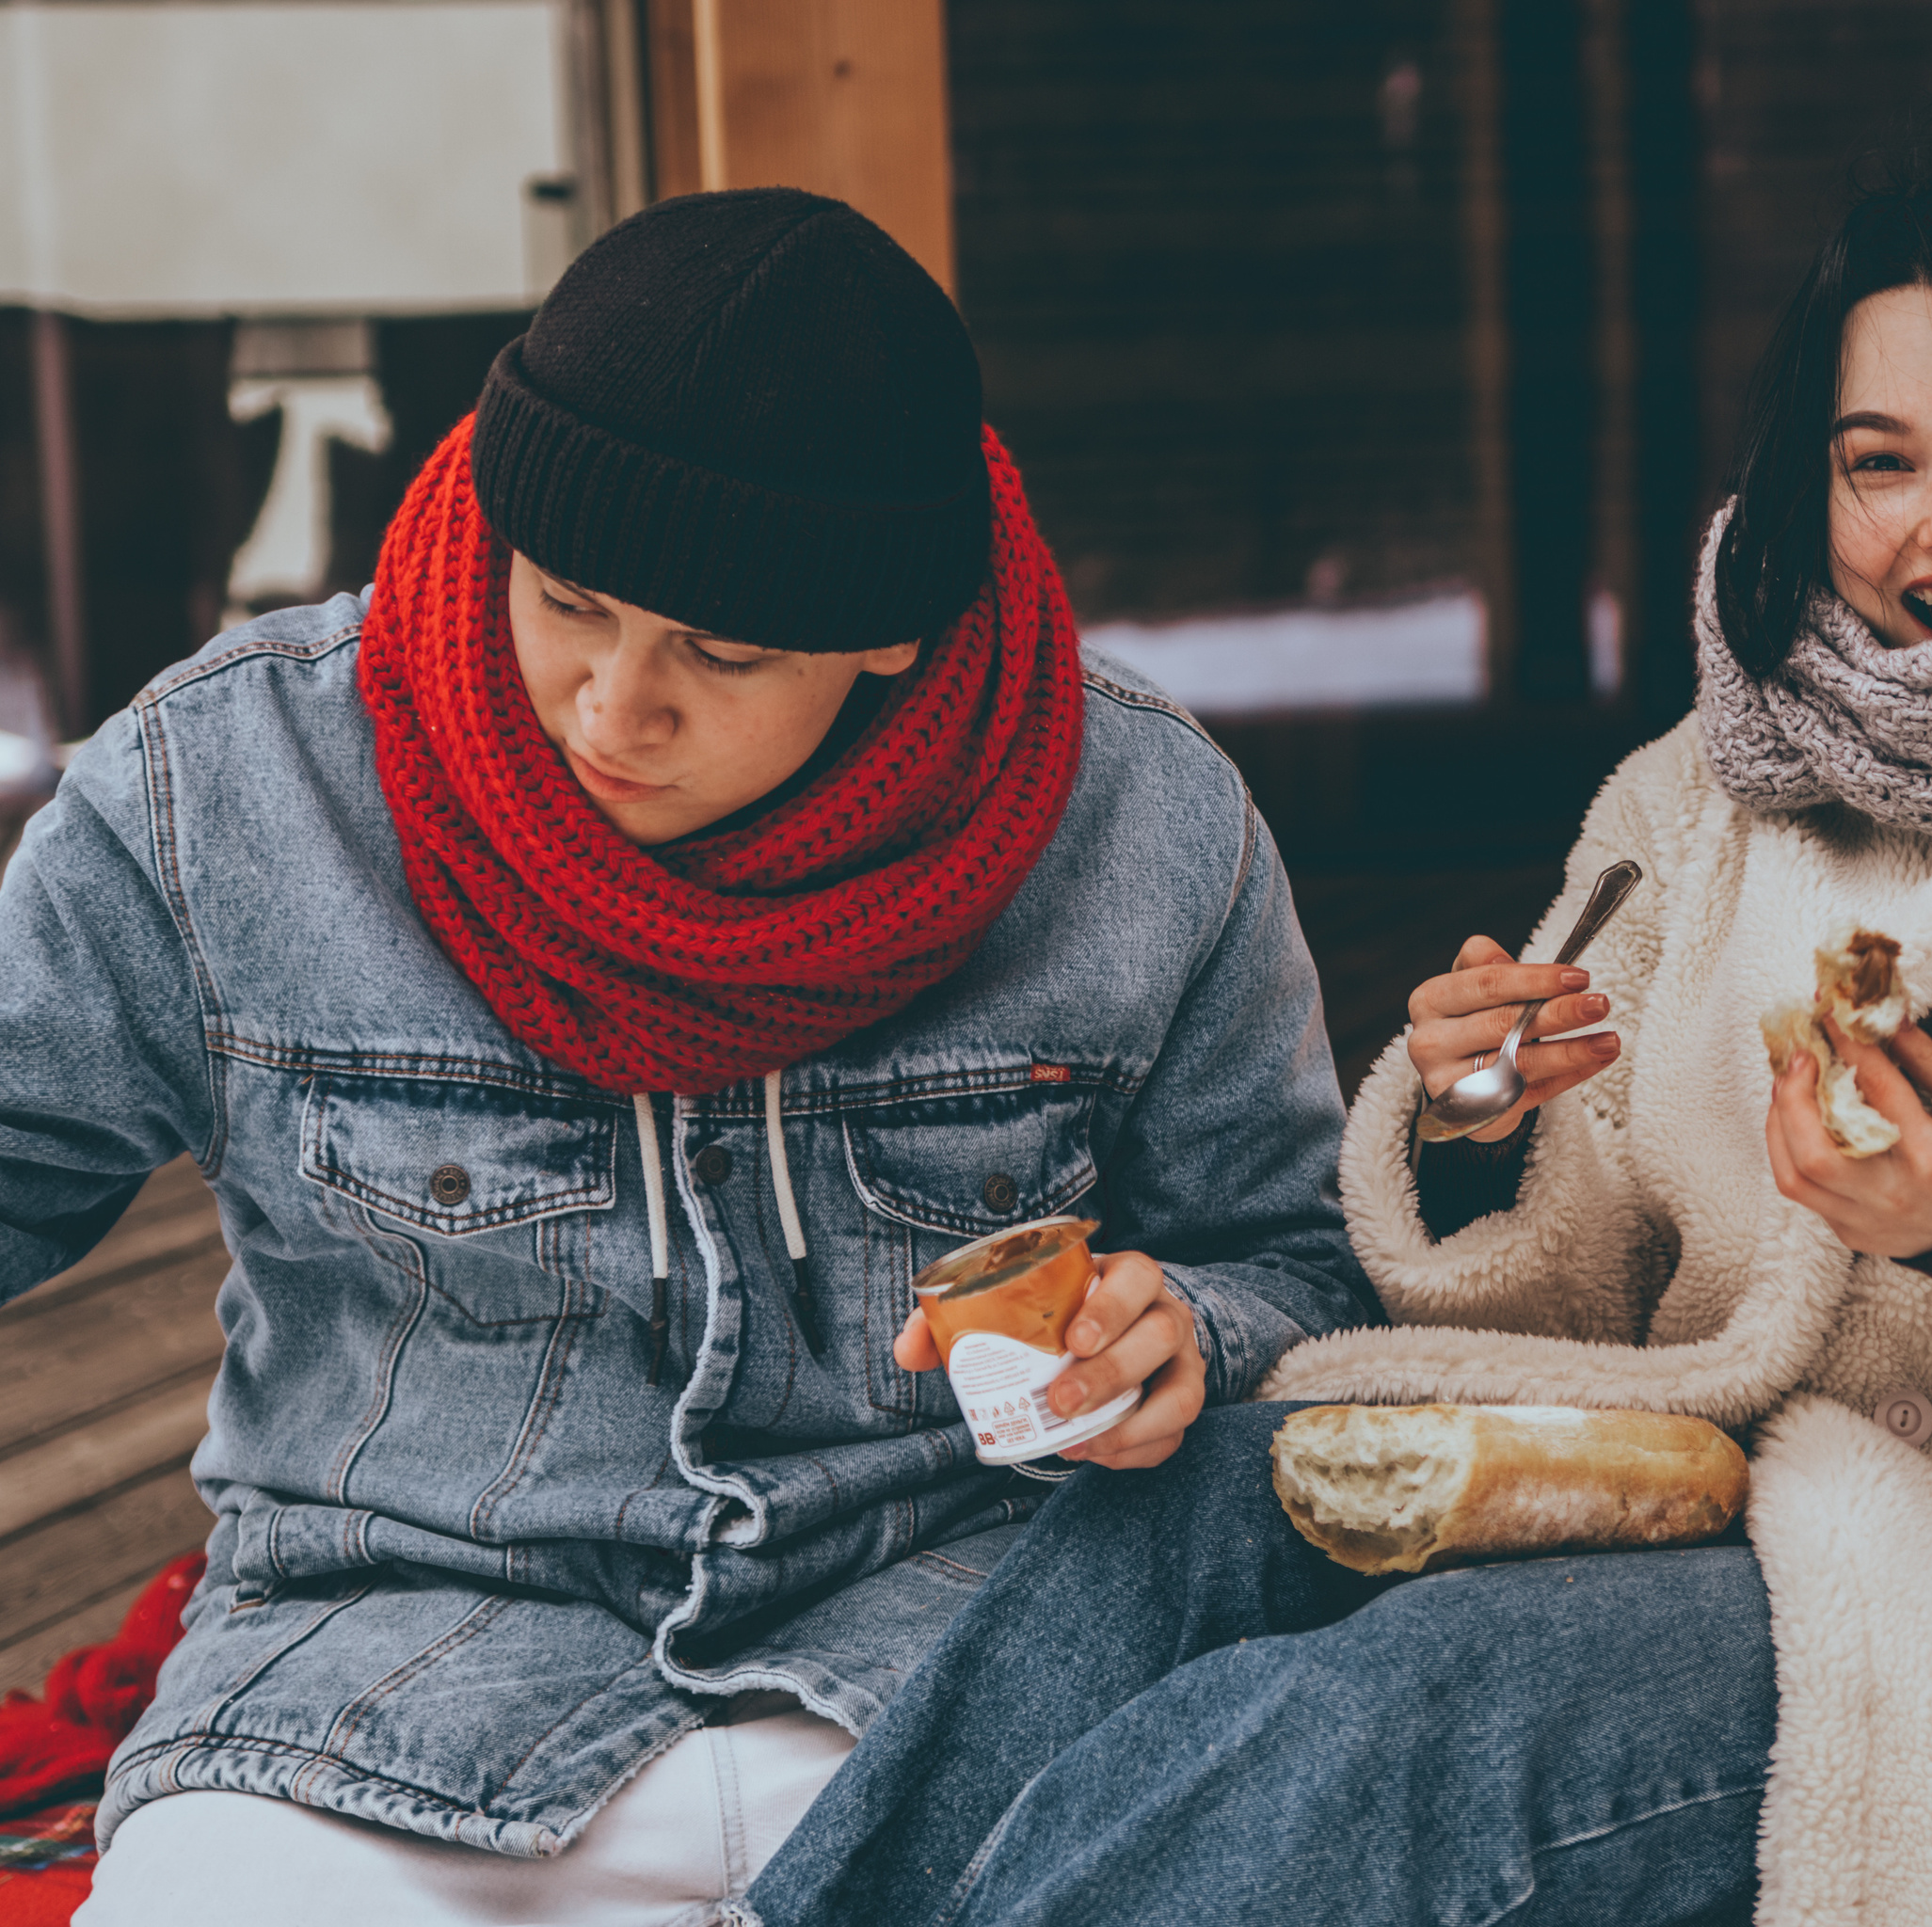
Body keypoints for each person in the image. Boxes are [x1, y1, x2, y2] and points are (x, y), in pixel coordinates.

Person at [742, 173, 1932, 1925]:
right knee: (1175, 1521)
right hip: (1713, 1481)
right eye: (1878, 463)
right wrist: (1482, 1125)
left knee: (1386, 1717)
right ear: (1808, 483)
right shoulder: (1710, 784)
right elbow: (1583, 1297)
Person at [0, 188, 1376, 1923]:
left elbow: (1313, 1261)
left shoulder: (1143, 822)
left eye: (720, 653)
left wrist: (1192, 1330)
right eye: (567, 599)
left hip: (970, 1686)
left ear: (893, 634)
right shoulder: (224, 787)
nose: (609, 708)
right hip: (378, 1712)